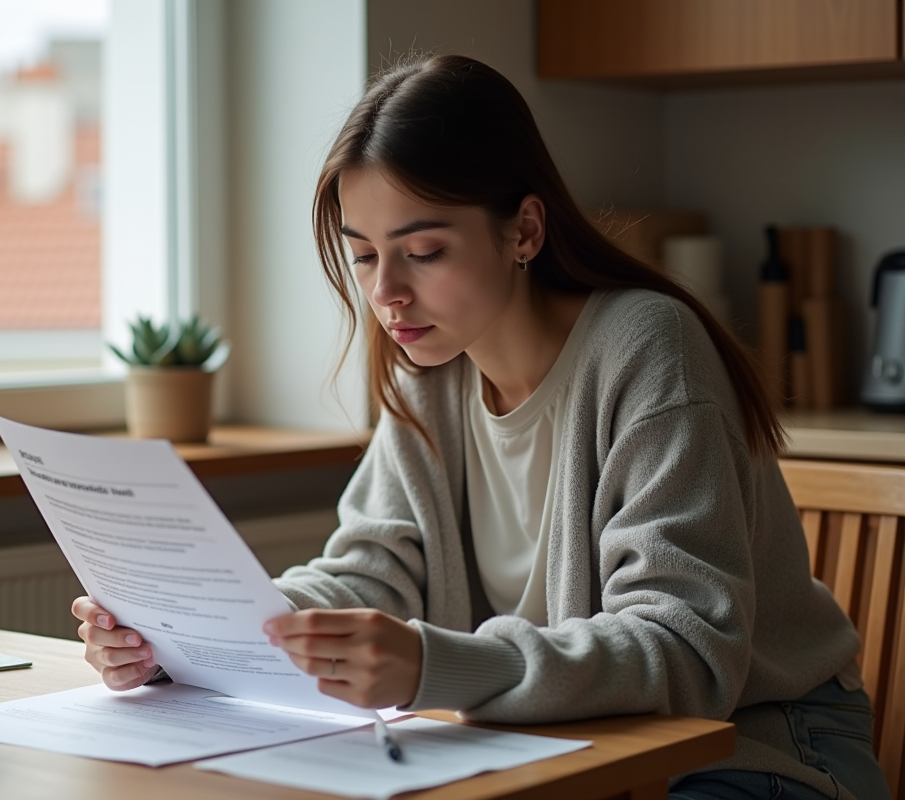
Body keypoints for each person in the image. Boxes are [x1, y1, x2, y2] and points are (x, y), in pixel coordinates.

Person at [72, 54, 890, 799]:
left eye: (422, 251)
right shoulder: (431, 369)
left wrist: (432, 665)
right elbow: (371, 574)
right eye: (362, 255)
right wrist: (198, 634)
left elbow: (685, 649)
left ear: (524, 231)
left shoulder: (647, 347)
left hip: (755, 751)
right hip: (570, 750)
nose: (386, 292)